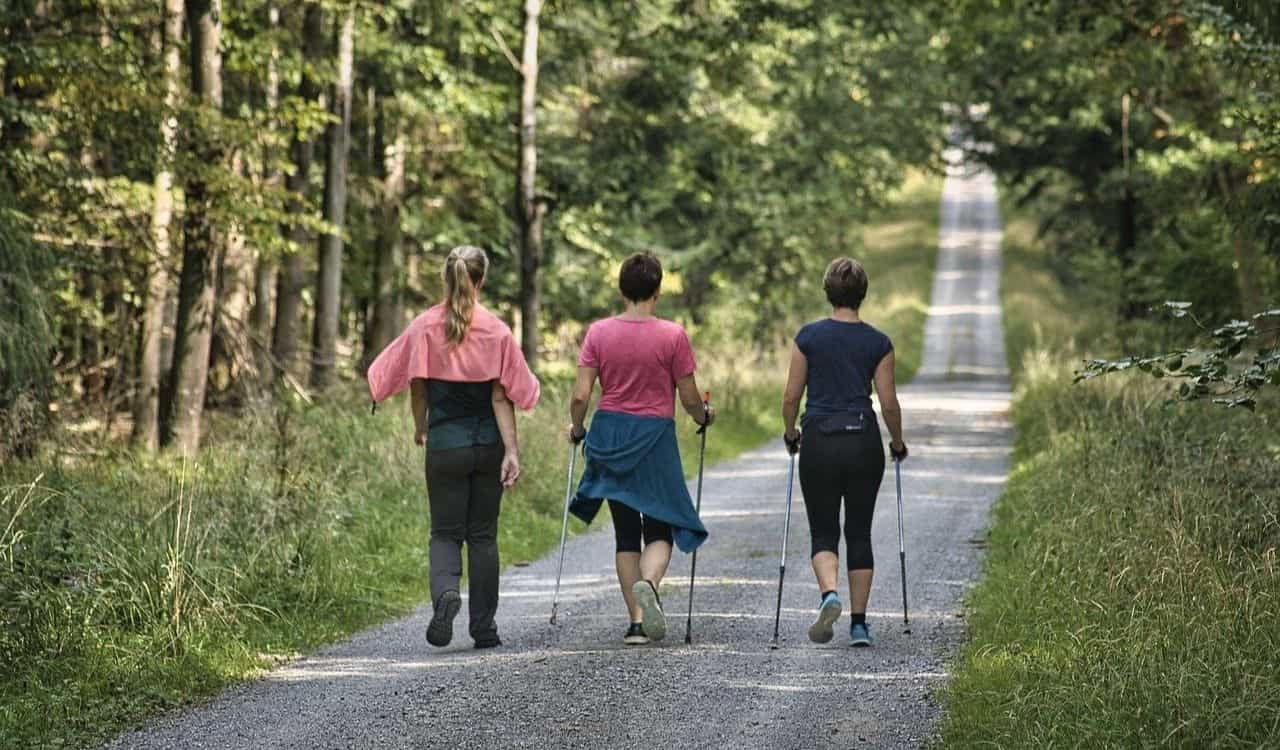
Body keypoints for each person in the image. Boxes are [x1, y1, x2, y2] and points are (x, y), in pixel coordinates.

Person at [367, 245, 540, 650]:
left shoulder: (425, 327)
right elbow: (506, 396)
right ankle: (484, 629)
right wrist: (512, 451)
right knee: (483, 536)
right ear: (480, 280)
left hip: (444, 444)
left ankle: (446, 593)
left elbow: (414, 386)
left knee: (445, 533)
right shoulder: (497, 331)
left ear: (447, 278)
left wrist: (420, 428)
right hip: (487, 444)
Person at [567, 252, 715, 646]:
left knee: (625, 532)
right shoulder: (672, 336)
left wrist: (577, 428)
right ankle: (648, 584)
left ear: (621, 289)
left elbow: (582, 394)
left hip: (610, 436)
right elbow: (687, 397)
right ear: (658, 290)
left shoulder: (598, 333)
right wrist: (704, 417)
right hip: (654, 438)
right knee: (660, 525)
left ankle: (636, 623)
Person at [781, 257, 907, 648]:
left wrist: (791, 432)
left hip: (818, 439)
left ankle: (829, 594)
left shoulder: (808, 338)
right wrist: (898, 442)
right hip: (862, 441)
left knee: (823, 530)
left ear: (828, 292)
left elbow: (790, 397)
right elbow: (888, 403)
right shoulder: (878, 342)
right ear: (862, 294)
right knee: (859, 531)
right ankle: (859, 624)